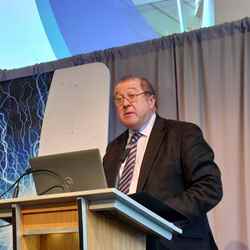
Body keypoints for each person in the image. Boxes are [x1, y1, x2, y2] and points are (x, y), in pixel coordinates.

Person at [103, 75, 223, 250]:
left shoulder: (183, 134)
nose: (125, 103)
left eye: (132, 95)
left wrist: (156, 213)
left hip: (174, 242)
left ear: (151, 100)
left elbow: (209, 187)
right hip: (122, 242)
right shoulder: (113, 147)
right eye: (119, 99)